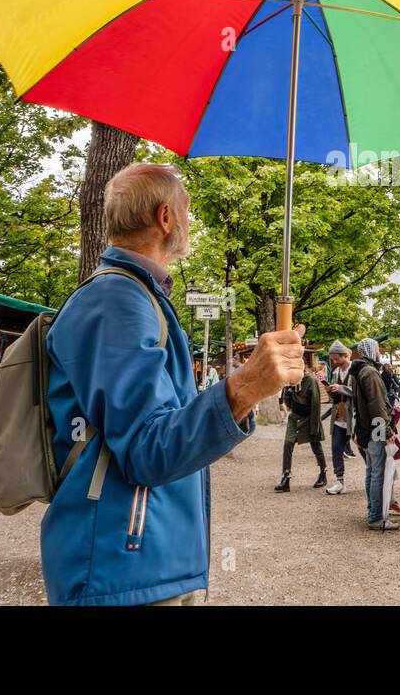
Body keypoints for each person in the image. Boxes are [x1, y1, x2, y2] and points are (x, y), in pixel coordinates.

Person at [42, 162, 306, 605]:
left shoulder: (138, 298)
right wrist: (244, 388)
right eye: (187, 210)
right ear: (166, 218)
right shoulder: (117, 301)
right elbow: (148, 449)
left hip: (144, 567)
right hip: (123, 575)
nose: (189, 221)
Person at [350, 337, 396, 531]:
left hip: (364, 429)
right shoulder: (370, 372)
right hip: (375, 429)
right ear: (371, 351)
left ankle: (372, 510)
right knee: (377, 472)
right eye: (377, 349)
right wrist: (386, 431)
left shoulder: (359, 371)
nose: (380, 352)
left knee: (371, 471)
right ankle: (376, 516)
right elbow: (377, 406)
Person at [274, 364, 327, 493]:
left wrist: (314, 427)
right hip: (294, 417)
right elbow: (288, 403)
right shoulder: (291, 381)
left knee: (316, 445)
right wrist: (288, 391)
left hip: (309, 417)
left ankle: (323, 473)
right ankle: (286, 477)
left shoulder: (311, 381)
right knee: (288, 444)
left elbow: (315, 404)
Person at [324, 340, 354, 494]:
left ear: (345, 355)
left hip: (353, 416)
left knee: (364, 450)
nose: (335, 362)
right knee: (336, 448)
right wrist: (329, 389)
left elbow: (358, 392)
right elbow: (334, 396)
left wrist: (341, 388)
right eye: (333, 359)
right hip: (338, 416)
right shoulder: (335, 372)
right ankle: (340, 481)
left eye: (336, 359)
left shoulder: (356, 371)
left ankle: (375, 478)